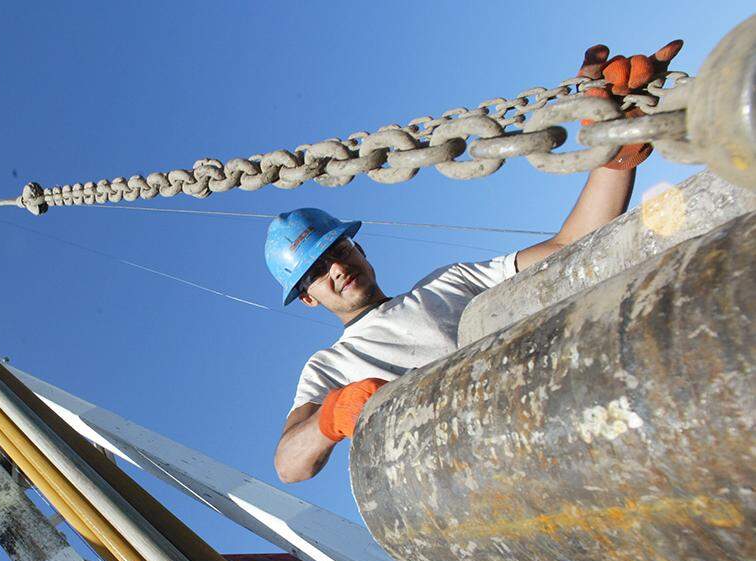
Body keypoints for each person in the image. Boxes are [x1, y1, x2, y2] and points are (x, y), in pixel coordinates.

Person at [266, 41, 682, 483]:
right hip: (473, 477)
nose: (336, 267)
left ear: (360, 250)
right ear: (308, 298)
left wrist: (617, 146)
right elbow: (289, 464)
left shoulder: (448, 284)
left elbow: (573, 246)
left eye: (339, 250)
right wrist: (332, 416)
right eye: (316, 270)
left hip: (554, 424)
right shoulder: (330, 366)